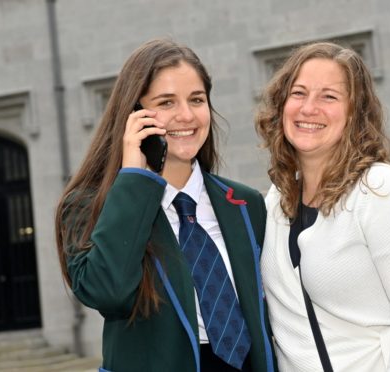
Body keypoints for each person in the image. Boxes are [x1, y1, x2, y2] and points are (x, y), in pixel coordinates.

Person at [55, 38, 276, 372]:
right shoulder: (90, 204)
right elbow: (106, 292)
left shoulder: (246, 204)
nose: (186, 116)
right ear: (134, 115)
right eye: (166, 102)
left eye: (196, 100)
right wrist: (134, 178)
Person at [255, 42, 390, 371]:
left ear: (355, 112)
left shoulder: (382, 191)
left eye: (329, 96)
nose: (309, 108)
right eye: (298, 93)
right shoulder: (275, 199)